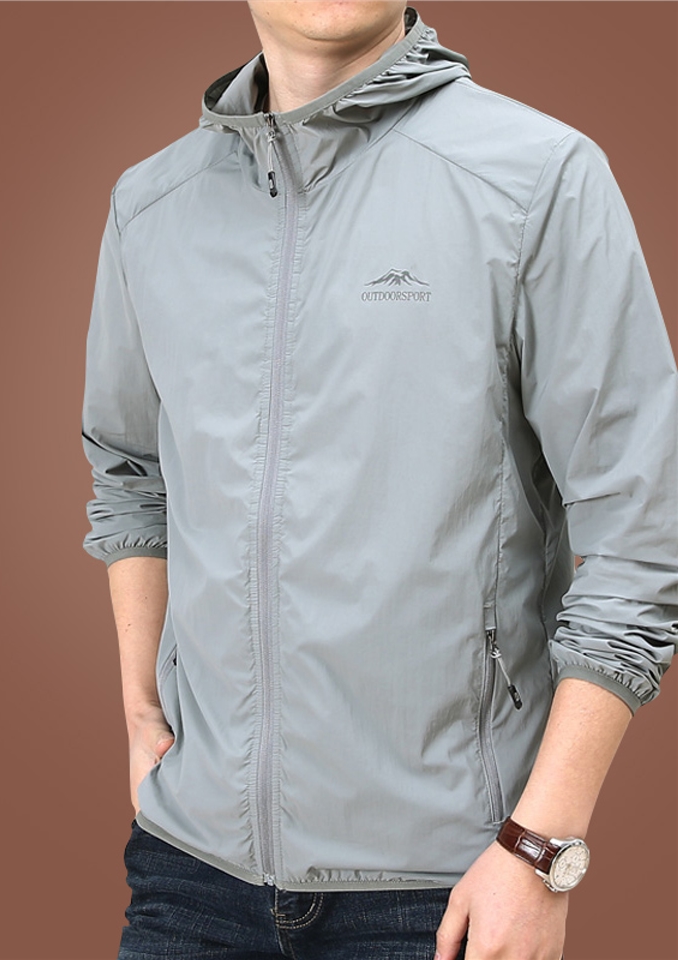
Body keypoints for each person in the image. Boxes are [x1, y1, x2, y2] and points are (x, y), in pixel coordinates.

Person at [81, 4, 678, 958]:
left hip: (447, 887)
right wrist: (139, 710)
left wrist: (538, 848)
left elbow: (644, 529)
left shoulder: (536, 176)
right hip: (188, 875)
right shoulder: (152, 205)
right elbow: (131, 472)